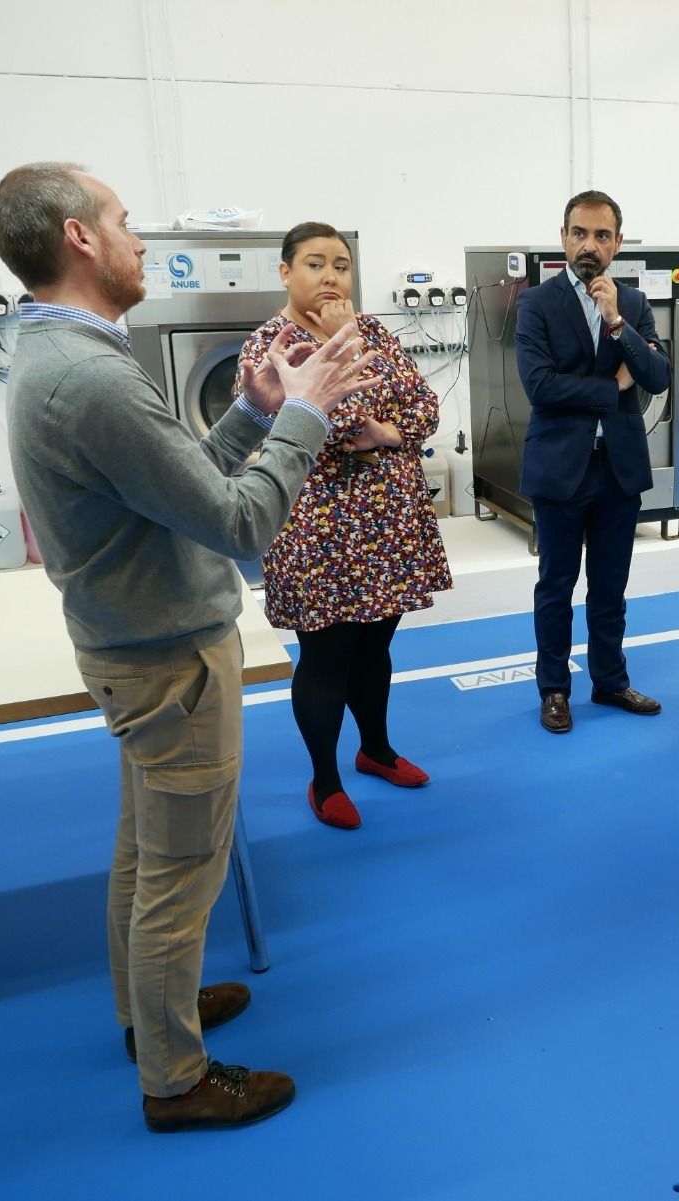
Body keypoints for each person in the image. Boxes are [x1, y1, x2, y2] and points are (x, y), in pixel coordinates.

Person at [0, 163, 381, 1131]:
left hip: (135, 644)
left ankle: (149, 1012)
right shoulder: (92, 376)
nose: (139, 242)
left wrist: (251, 412)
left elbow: (178, 493)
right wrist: (306, 413)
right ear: (80, 238)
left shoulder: (63, 354)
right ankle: (175, 1078)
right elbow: (240, 521)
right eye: (124, 222)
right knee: (181, 872)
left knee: (145, 850)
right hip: (167, 660)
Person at [235, 222, 451, 831]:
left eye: (341, 265)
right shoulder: (271, 346)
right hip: (318, 527)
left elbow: (423, 406)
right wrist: (344, 346)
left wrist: (388, 431)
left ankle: (375, 749)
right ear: (285, 272)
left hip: (387, 519)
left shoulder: (373, 330)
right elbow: (336, 423)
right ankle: (325, 780)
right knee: (326, 656)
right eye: (314, 264)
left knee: (376, 645)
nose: (330, 277)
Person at [515, 189, 671, 734]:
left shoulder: (632, 304)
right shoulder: (536, 304)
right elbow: (540, 386)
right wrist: (612, 388)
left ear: (617, 243)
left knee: (610, 588)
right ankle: (554, 690)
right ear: (563, 238)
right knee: (556, 587)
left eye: (602, 236)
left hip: (618, 467)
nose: (590, 245)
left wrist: (617, 324)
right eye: (580, 233)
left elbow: (658, 376)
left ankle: (610, 681)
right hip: (560, 467)